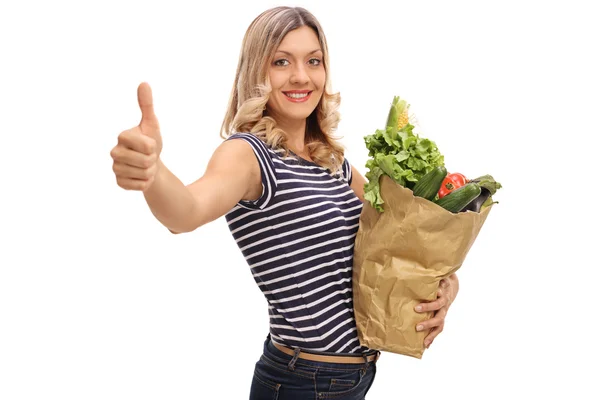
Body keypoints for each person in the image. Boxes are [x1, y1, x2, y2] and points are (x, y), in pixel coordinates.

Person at [110, 6, 459, 399]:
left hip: (351, 379)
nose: (300, 75)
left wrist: (446, 285)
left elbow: (397, 240)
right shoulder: (249, 155)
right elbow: (186, 211)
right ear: (256, 71)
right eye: (281, 61)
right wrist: (152, 172)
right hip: (303, 382)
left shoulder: (331, 160)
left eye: (313, 61)